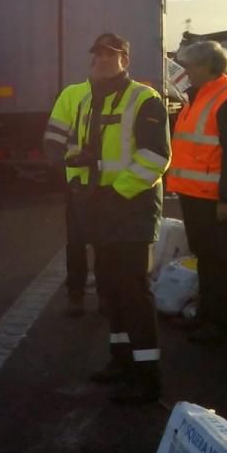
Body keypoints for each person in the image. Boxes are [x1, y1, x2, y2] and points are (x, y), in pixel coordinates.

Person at [43, 33, 171, 404]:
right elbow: (61, 144)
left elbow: (155, 159)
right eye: (97, 53)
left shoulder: (145, 99)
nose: (102, 59)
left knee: (133, 291)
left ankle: (148, 378)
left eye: (111, 55)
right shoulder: (79, 98)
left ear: (125, 61)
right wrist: (73, 159)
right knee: (111, 290)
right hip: (95, 207)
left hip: (130, 209)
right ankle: (121, 360)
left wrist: (115, 190)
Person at [168, 40, 227, 344]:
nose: (186, 72)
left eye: (190, 66)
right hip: (194, 195)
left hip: (215, 198)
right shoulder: (197, 96)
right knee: (206, 258)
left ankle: (218, 324)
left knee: (220, 263)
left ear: (206, 67)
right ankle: (205, 316)